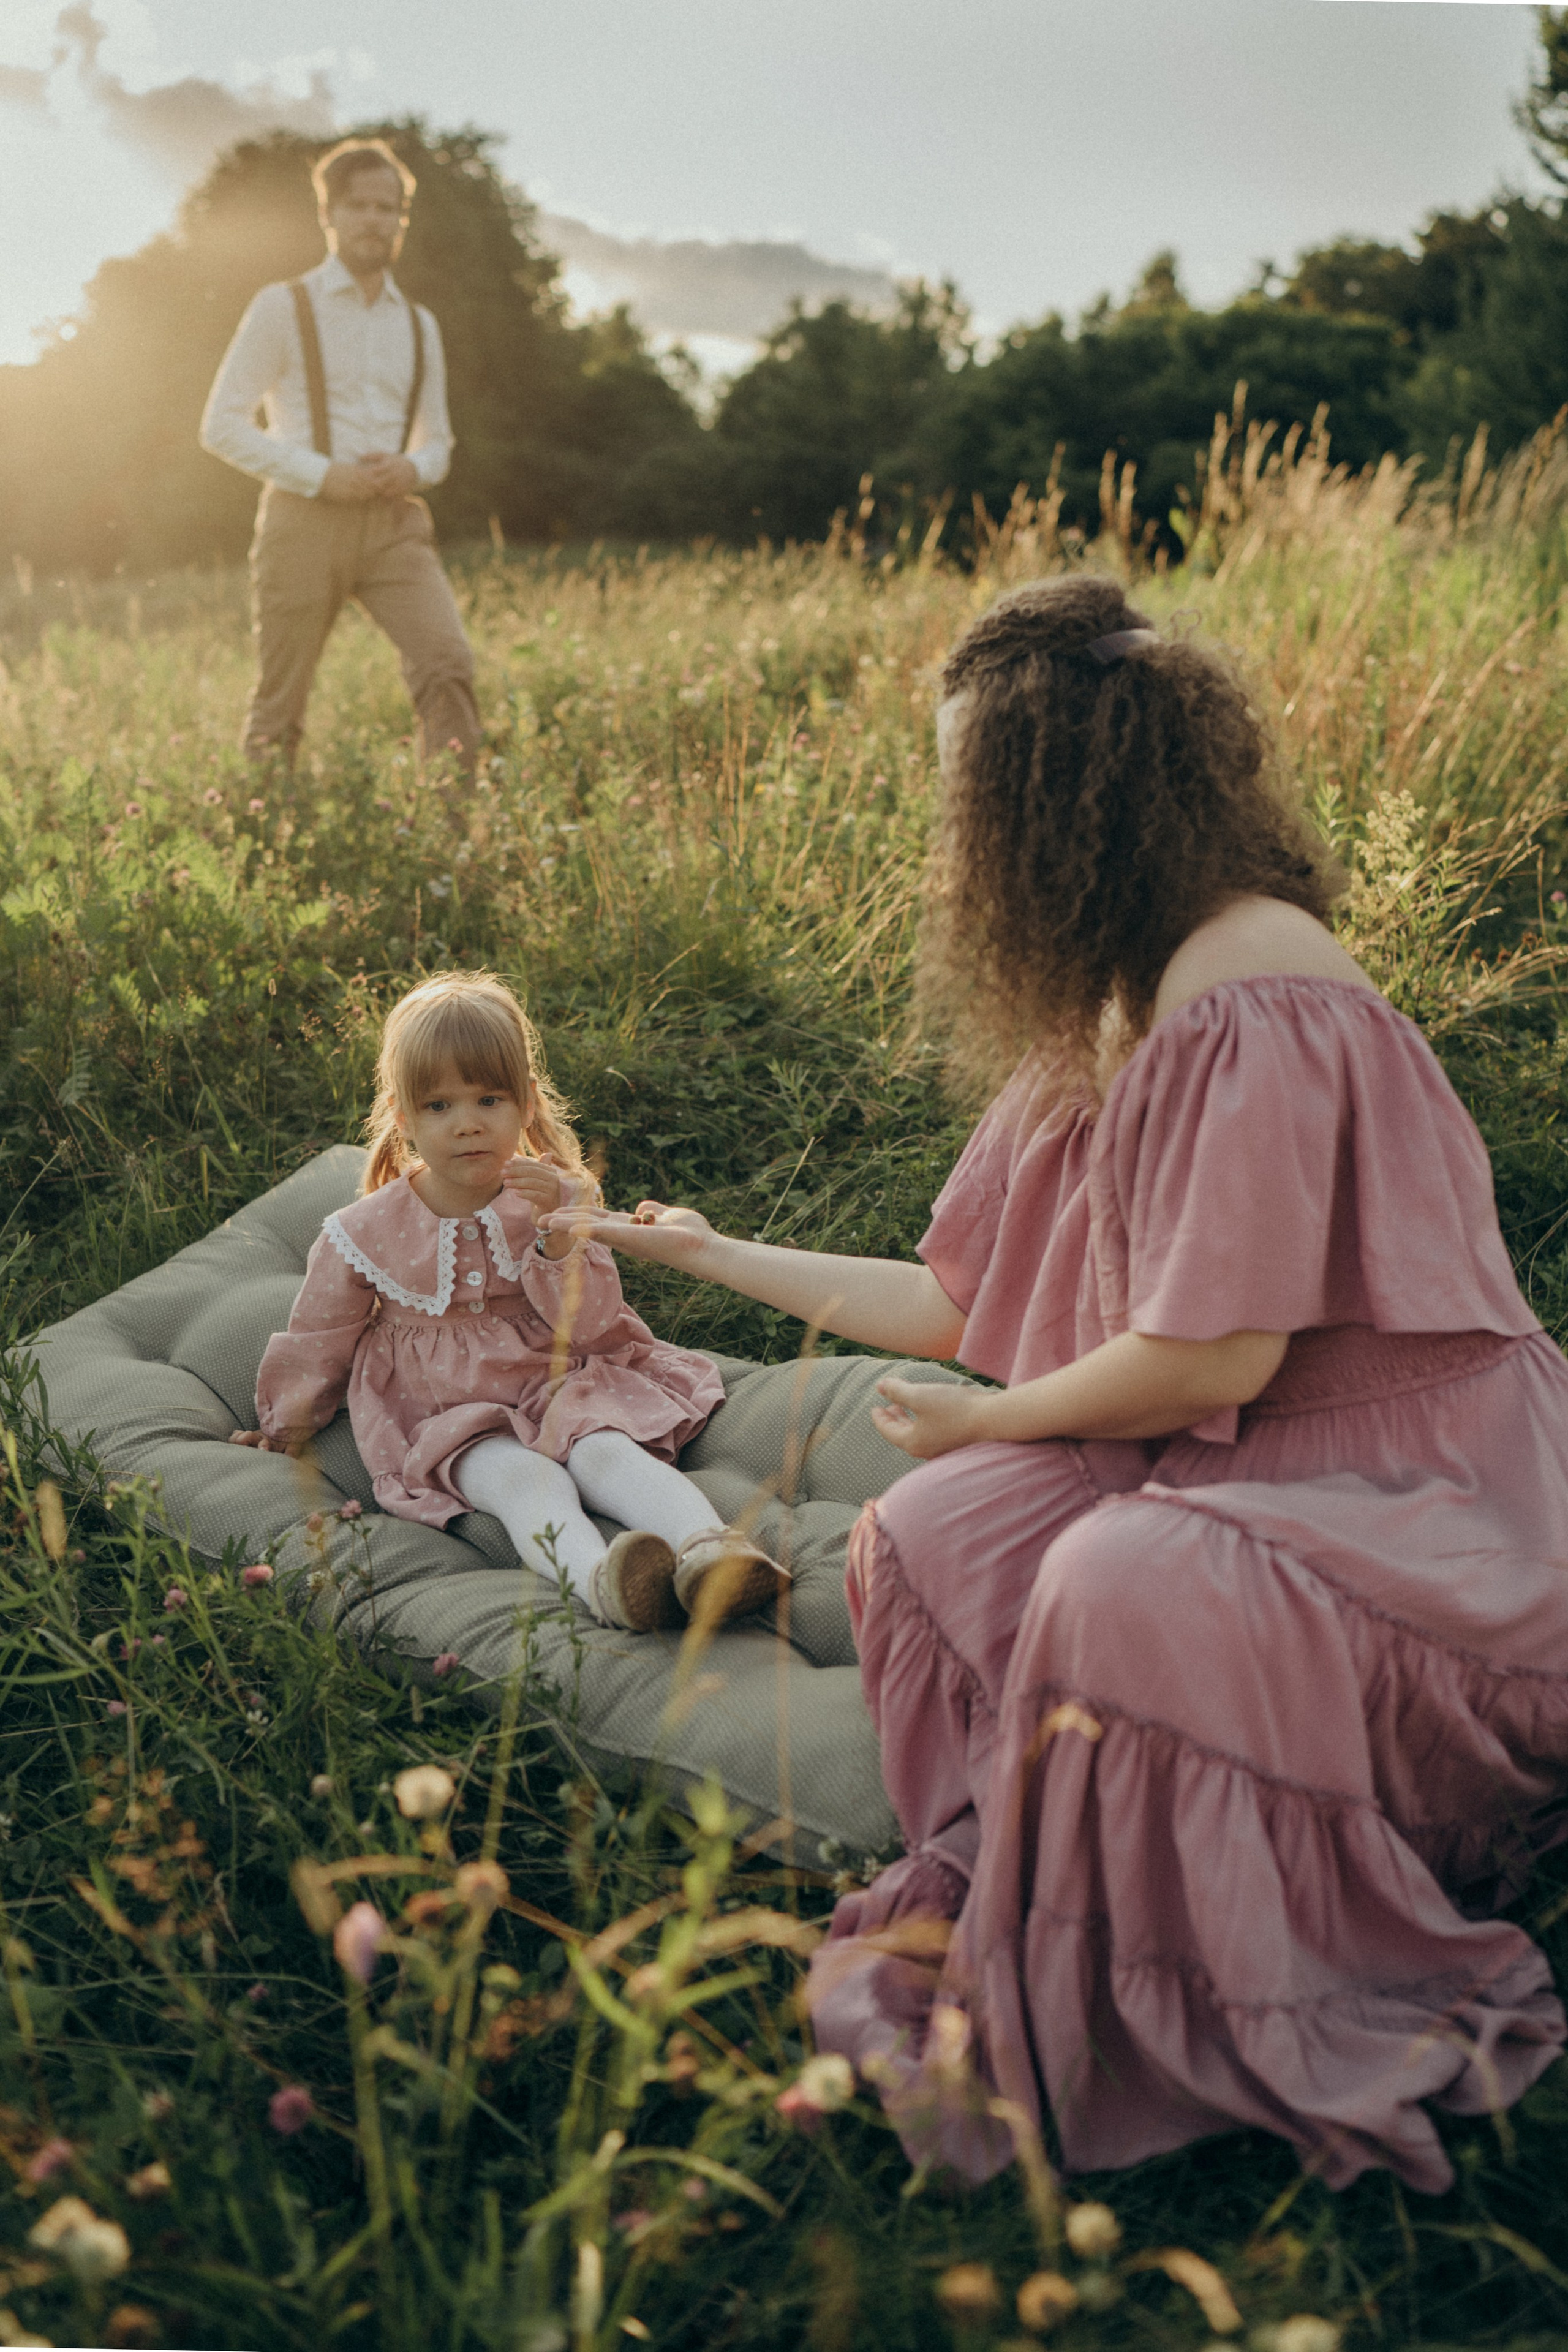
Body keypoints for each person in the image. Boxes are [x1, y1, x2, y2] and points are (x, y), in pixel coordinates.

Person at [543, 575, 1568, 2194]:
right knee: (938, 1527)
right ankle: (1060, 1879)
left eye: (966, 793)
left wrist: (1003, 1415)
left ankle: (1243, 1957)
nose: (950, 840)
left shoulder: (1253, 979)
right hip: (1241, 1460)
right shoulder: (1100, 1009)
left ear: (1058, 795)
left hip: (1426, 1503)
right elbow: (961, 1298)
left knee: (1107, 1566)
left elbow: (1215, 1353)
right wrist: (711, 1254)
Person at [230, 971, 786, 1635]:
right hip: (447, 1409)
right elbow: (320, 1334)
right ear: (404, 1119)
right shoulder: (364, 1231)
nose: (467, 1124)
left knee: (605, 1451)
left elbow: (593, 1320)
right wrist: (285, 1423)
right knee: (522, 1482)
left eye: (488, 1098)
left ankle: (711, 1549)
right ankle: (606, 1584)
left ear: (525, 1105)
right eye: (439, 1107)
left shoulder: (552, 1197)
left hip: (557, 1378)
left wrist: (557, 1234)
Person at [199, 137, 481, 775]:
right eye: (358, 206)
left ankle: (459, 845)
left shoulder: (418, 324)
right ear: (328, 215)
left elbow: (439, 442)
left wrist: (413, 468)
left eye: (388, 209)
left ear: (401, 220)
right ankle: (267, 833)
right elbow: (219, 425)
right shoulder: (281, 306)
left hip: (393, 527)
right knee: (281, 706)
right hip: (301, 523)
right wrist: (320, 476)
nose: (374, 221)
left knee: (448, 664)